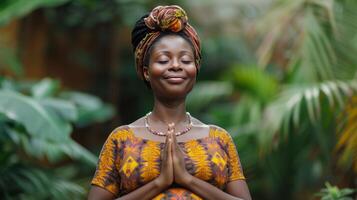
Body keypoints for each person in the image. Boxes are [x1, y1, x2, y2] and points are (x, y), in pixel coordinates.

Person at [88, 5, 251, 200]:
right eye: (164, 60)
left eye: (185, 60)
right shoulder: (121, 140)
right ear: (146, 71)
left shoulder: (219, 139)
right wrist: (160, 182)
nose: (175, 66)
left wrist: (188, 179)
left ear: (195, 68)